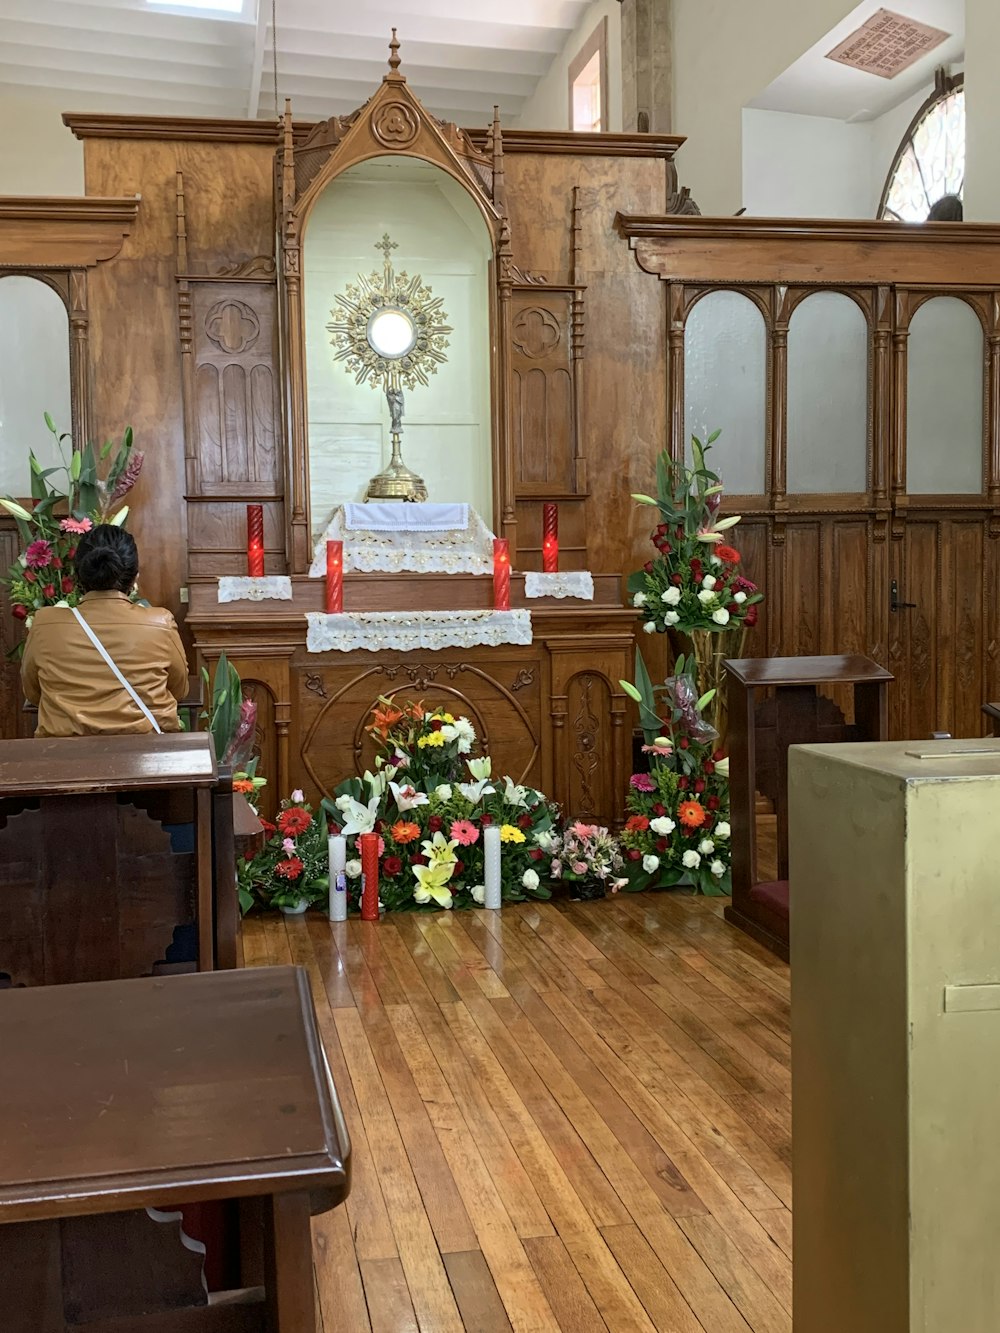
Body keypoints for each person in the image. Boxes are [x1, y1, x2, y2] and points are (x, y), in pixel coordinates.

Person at [21, 524, 188, 737]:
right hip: (146, 753)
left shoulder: (44, 623)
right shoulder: (160, 622)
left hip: (63, 757)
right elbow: (179, 689)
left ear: (77, 574)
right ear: (135, 575)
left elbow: (33, 692)